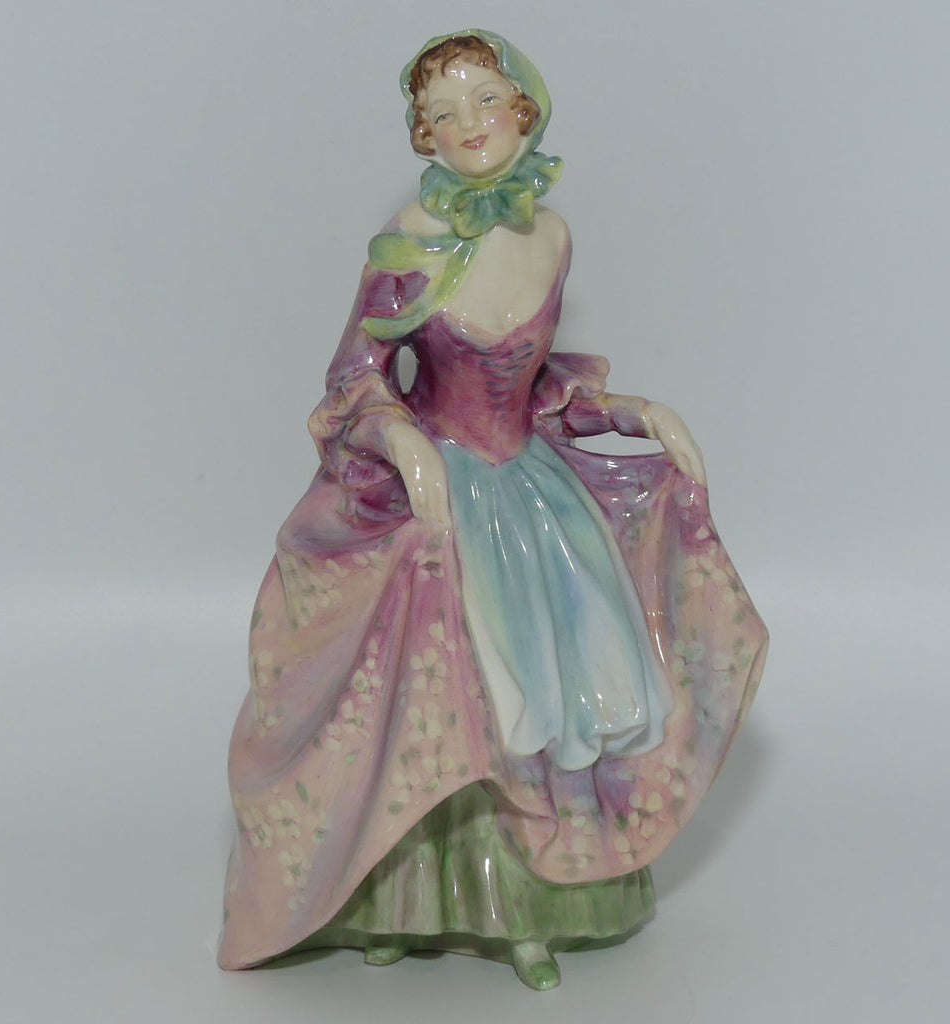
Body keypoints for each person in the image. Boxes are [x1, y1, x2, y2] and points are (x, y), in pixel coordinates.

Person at [219, 30, 767, 990]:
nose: (467, 124)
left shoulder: (551, 237)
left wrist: (630, 412)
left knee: (559, 686)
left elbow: (535, 385)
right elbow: (355, 372)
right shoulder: (409, 238)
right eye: (441, 113)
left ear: (524, 108)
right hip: (438, 492)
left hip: (530, 490)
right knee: (441, 692)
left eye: (483, 100)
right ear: (422, 138)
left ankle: (537, 900)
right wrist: (399, 441)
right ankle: (399, 900)